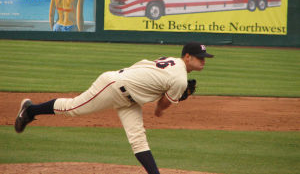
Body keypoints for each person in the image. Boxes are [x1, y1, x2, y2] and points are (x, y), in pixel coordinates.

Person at [15, 42, 214, 174]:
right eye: (199, 57)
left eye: (204, 57)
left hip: (130, 98)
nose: (203, 60)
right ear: (187, 57)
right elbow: (159, 109)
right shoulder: (180, 78)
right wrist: (174, 99)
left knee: (137, 138)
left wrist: (174, 96)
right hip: (112, 86)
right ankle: (29, 110)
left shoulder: (172, 61)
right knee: (72, 107)